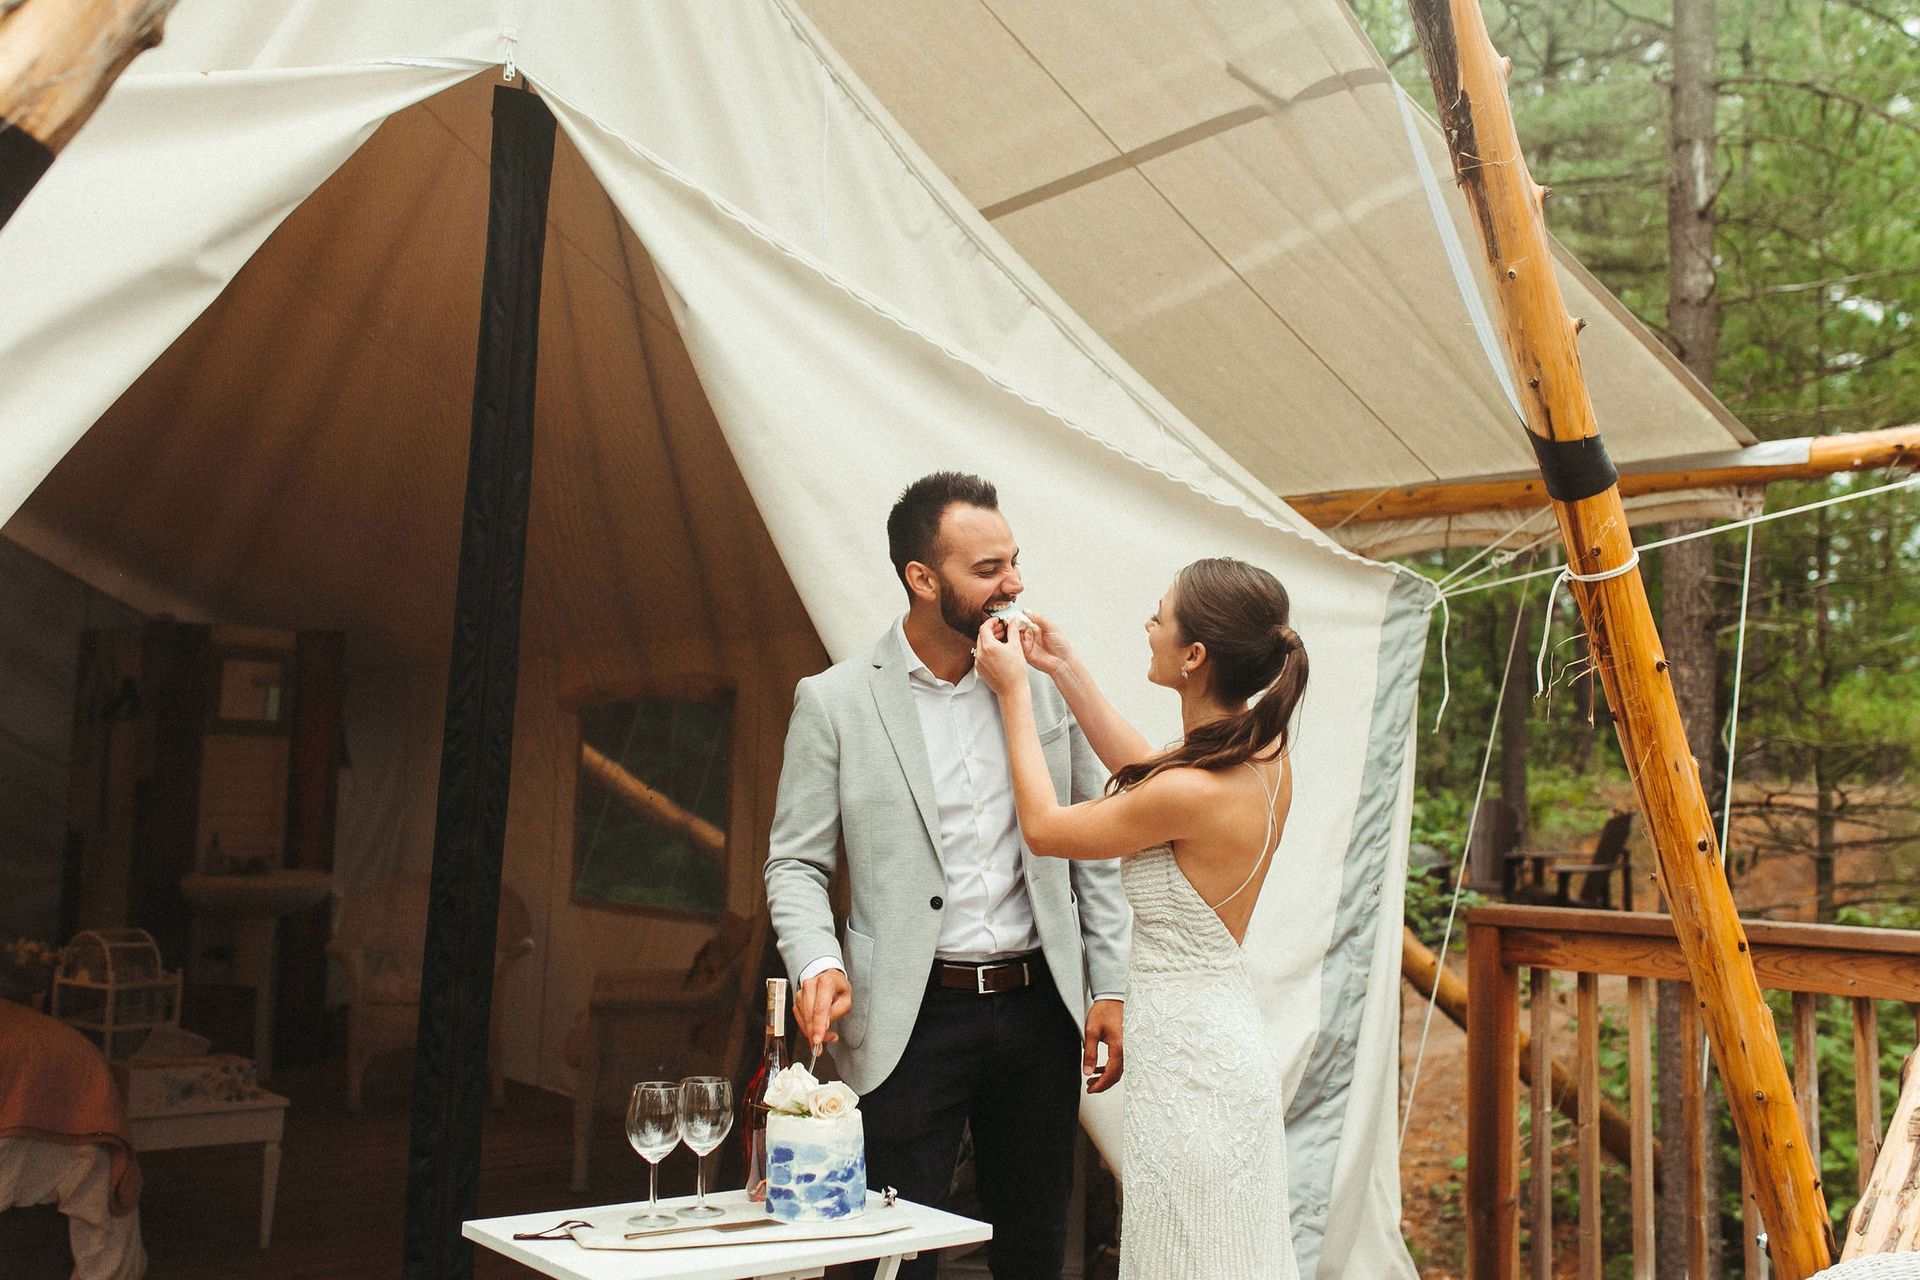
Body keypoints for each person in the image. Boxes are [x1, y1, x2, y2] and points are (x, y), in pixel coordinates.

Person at [763, 471, 1130, 1280]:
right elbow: (795, 861)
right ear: (922, 580)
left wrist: (1110, 986)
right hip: (908, 1019)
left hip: (1040, 1012)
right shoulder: (834, 702)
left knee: (1036, 1251)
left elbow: (1086, 844)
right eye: (990, 568)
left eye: (1014, 561)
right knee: (886, 1260)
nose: (1015, 584)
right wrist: (818, 961)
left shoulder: (1040, 689)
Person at [973, 557, 1307, 1280]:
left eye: (1159, 616)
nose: (1146, 626)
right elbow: (1150, 774)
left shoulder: (1193, 791)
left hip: (1195, 1078)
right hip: (1204, 1048)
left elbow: (1045, 827)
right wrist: (1066, 670)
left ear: (1194, 656)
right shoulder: (1259, 751)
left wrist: (1014, 694)